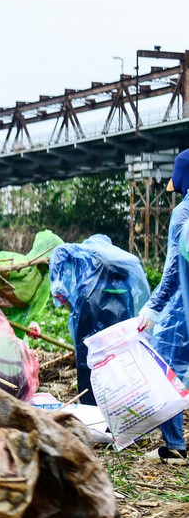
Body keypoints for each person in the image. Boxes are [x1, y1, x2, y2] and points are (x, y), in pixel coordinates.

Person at [50, 234, 150, 427]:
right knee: (117, 358)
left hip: (90, 305)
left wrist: (58, 287)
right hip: (120, 306)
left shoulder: (85, 251)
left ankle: (91, 412)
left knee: (87, 357)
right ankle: (117, 414)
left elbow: (59, 251)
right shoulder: (120, 262)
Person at [138, 149, 189, 461]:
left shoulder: (183, 214)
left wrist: (153, 308)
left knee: (167, 369)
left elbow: (172, 271)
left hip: (181, 312)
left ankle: (175, 446)